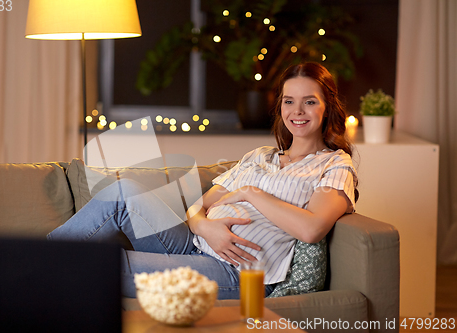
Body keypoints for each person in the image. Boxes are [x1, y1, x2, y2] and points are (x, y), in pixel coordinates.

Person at [48, 62, 358, 299]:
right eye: (289, 101)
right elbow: (201, 204)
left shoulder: (334, 165)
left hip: (238, 271)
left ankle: (28, 272)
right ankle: (31, 256)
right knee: (122, 191)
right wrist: (204, 227)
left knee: (100, 265)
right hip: (195, 241)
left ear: (327, 105)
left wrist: (252, 193)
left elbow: (312, 228)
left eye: (310, 101)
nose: (297, 111)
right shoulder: (260, 155)